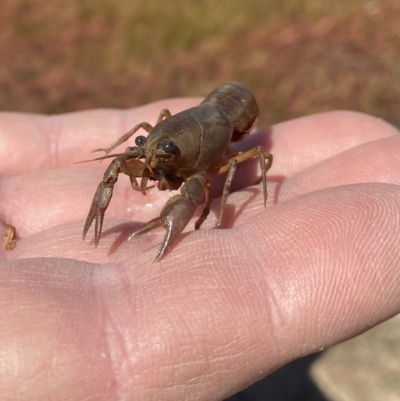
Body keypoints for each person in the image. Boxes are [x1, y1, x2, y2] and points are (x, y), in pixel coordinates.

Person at [0, 100, 399, 400]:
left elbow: (206, 180)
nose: (150, 157)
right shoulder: (155, 142)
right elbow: (141, 150)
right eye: (146, 145)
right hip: (198, 118)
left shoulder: (219, 149)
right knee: (128, 160)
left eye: (161, 153)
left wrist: (221, 195)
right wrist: (144, 152)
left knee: (202, 184)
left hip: (232, 107)